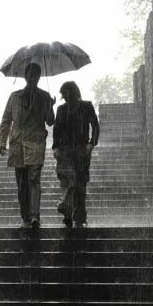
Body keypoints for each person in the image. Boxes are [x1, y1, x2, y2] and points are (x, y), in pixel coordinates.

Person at [0, 63, 55, 228]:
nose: (32, 78)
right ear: (25, 76)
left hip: (36, 143)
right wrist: (1, 140)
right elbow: (6, 119)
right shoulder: (15, 97)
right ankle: (25, 217)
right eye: (29, 74)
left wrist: (50, 106)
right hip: (18, 144)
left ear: (39, 77)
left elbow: (50, 122)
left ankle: (35, 216)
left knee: (34, 180)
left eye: (35, 75)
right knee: (22, 184)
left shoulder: (45, 97)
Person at [52, 81, 100, 228]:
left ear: (73, 93)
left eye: (66, 95)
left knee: (80, 184)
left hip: (81, 151)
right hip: (65, 151)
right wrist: (55, 148)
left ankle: (79, 216)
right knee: (67, 182)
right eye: (63, 96)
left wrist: (92, 144)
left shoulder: (86, 106)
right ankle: (68, 214)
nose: (65, 98)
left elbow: (95, 125)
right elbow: (56, 130)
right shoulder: (61, 110)